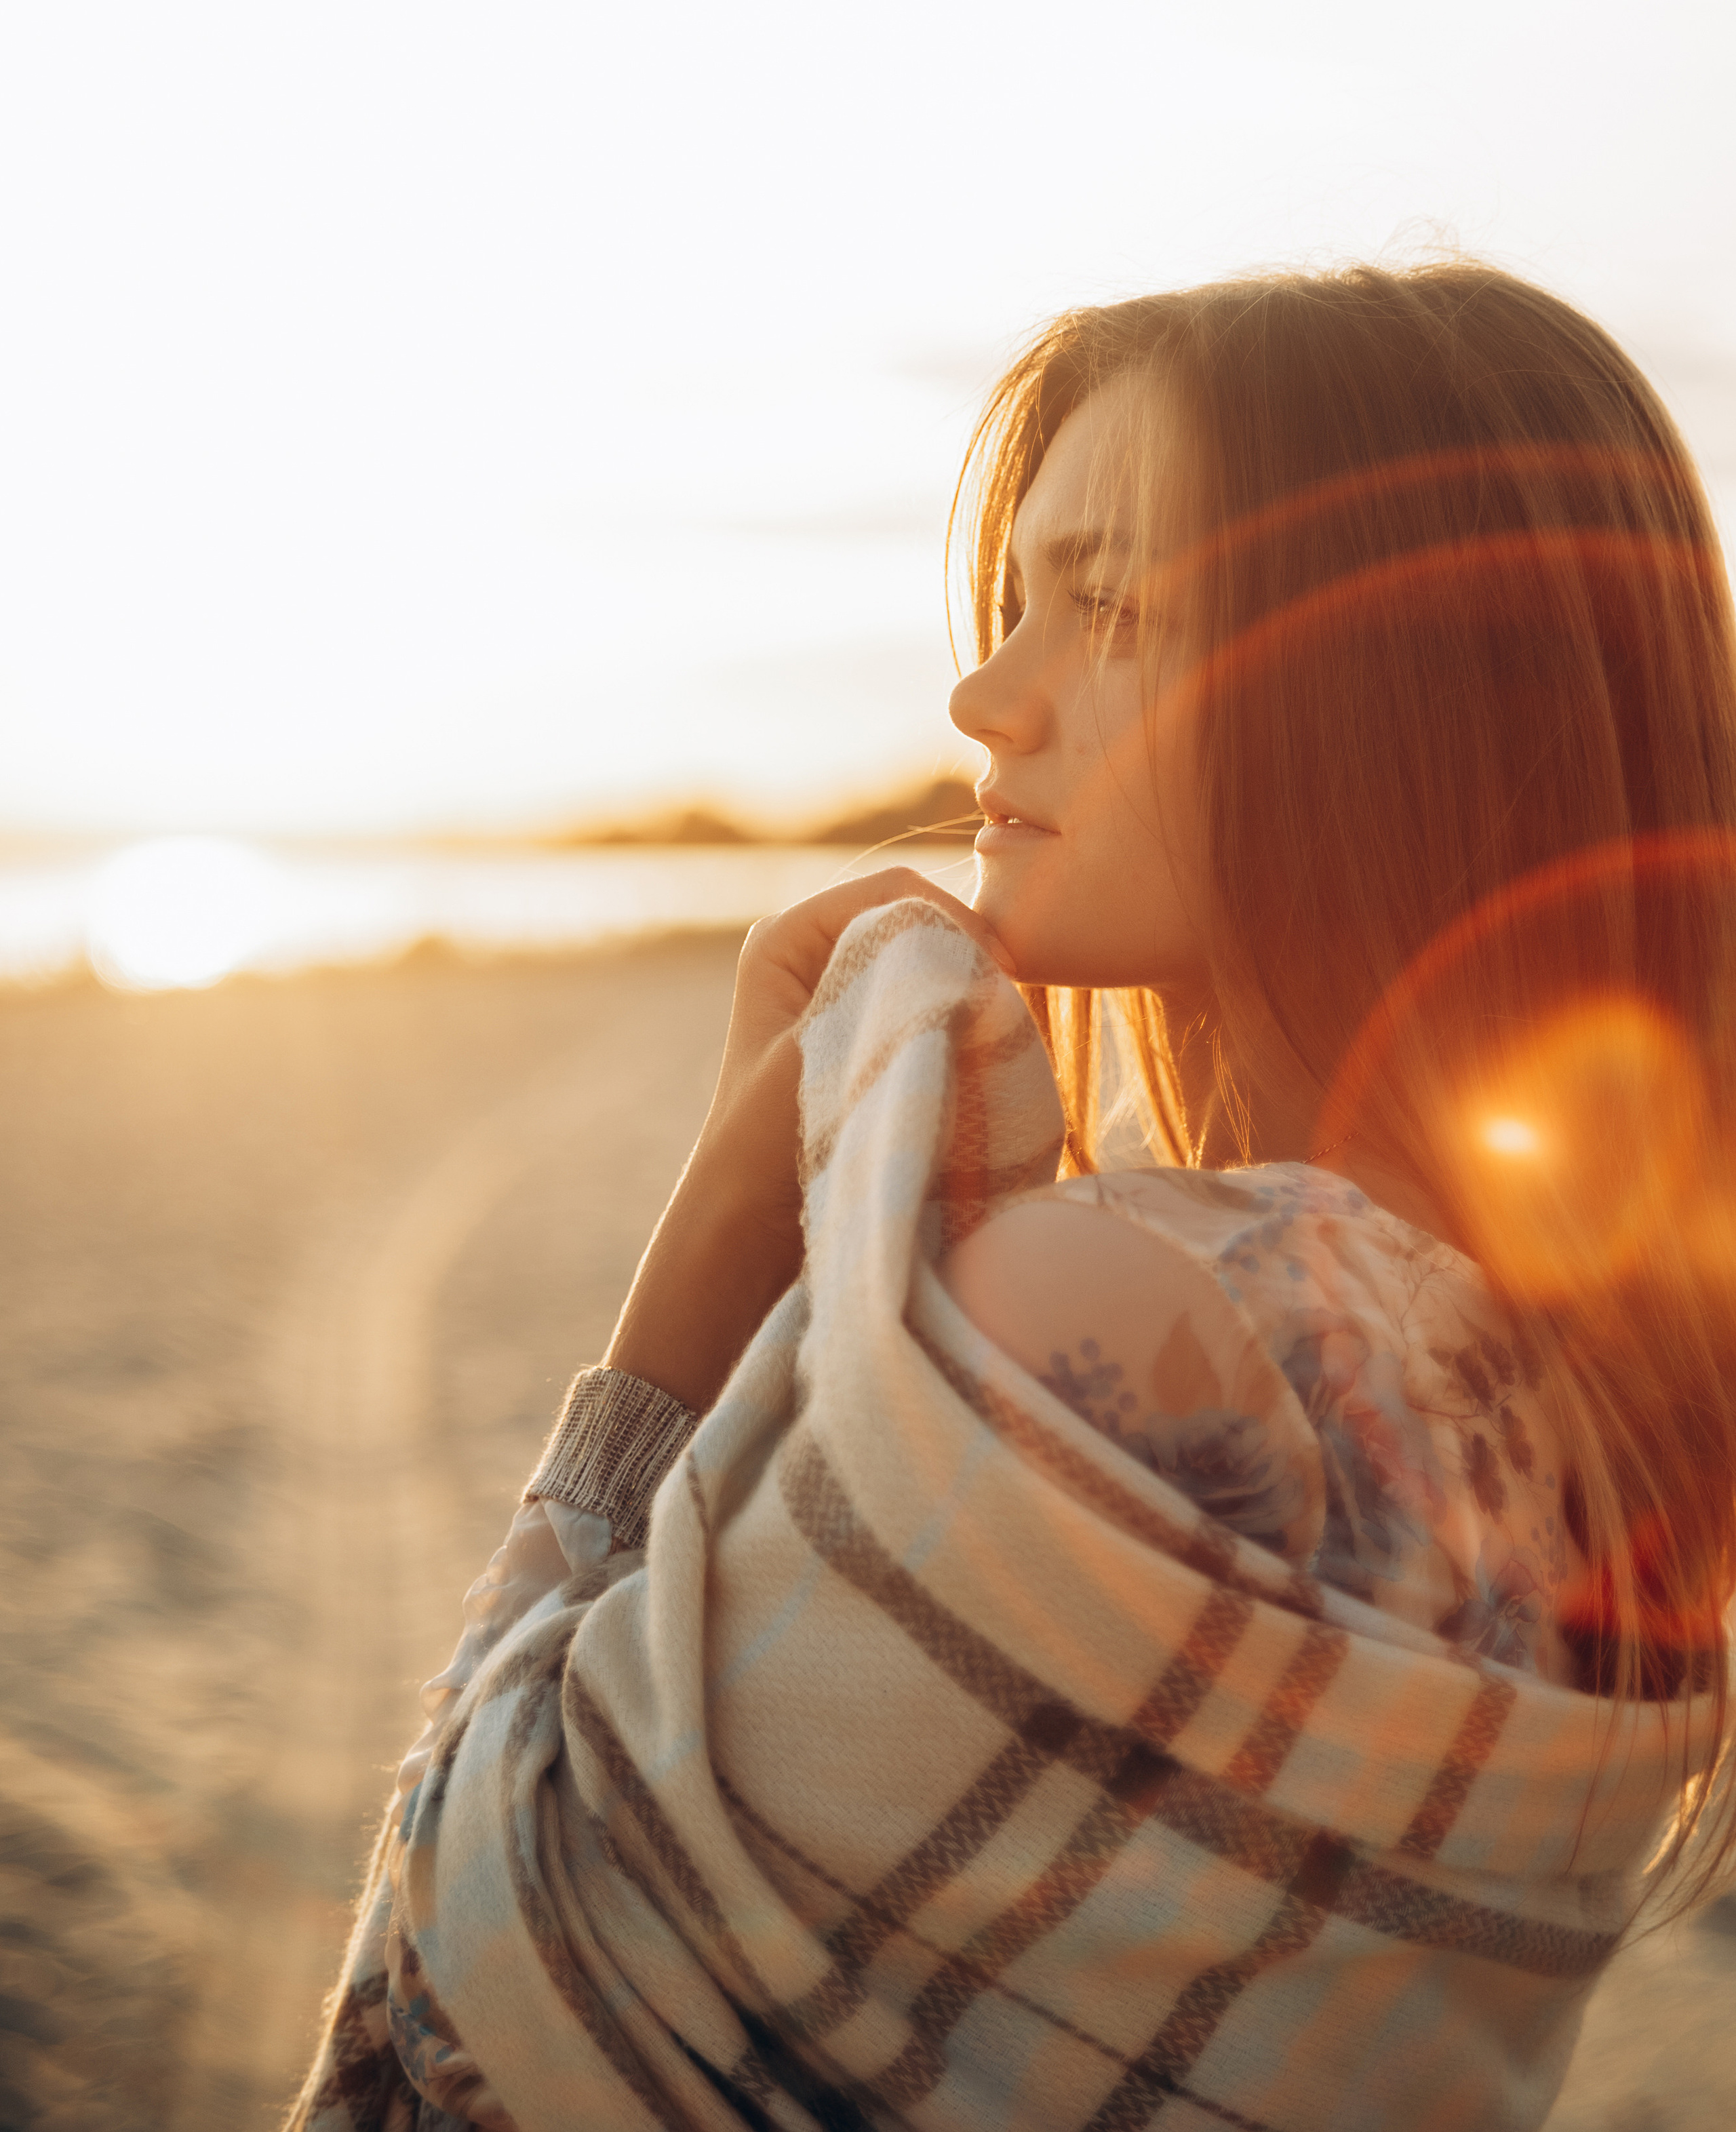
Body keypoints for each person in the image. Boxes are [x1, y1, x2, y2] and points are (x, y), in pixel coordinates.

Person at [298, 262, 1736, 2132]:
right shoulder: (1616, 1446)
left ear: (1405, 688)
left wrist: (723, 1231)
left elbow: (464, 2006)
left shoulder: (1109, 1309)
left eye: (1110, 603)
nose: (986, 694)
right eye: (1009, 603)